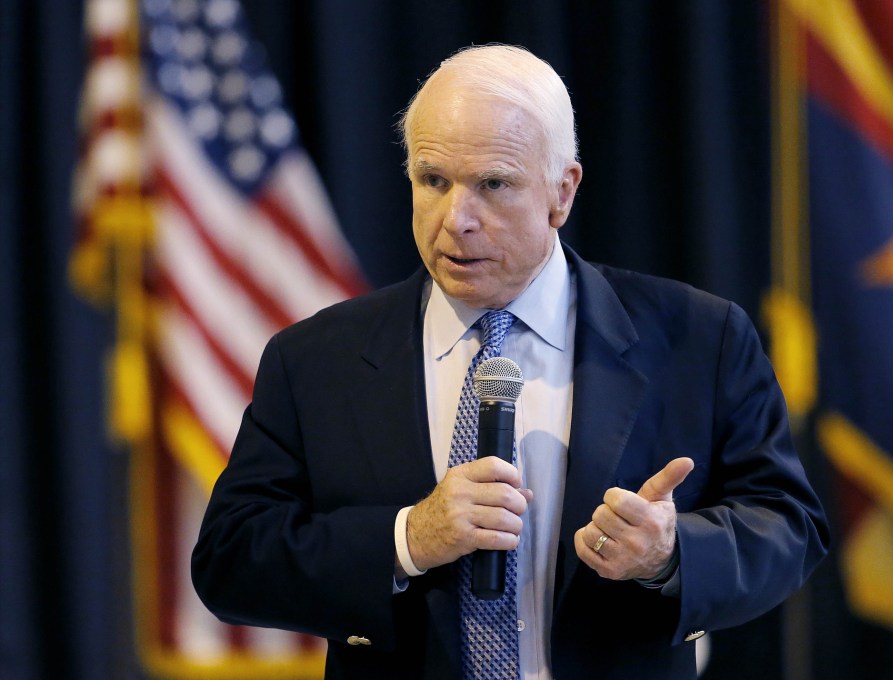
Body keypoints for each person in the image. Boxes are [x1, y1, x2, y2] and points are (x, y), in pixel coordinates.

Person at [192, 44, 829, 679]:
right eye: (433, 180)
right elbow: (230, 558)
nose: (456, 219)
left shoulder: (700, 339)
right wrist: (407, 539)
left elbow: (789, 526)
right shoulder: (315, 359)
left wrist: (672, 554)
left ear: (562, 192)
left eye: (493, 184)